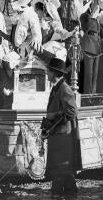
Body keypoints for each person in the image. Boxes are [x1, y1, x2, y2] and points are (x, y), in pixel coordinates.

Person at [45, 57, 79, 197]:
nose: (47, 73)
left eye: (48, 71)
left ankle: (60, 194)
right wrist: (46, 128)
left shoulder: (64, 89)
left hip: (63, 138)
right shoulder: (56, 88)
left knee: (62, 169)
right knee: (61, 171)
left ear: (53, 73)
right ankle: (65, 194)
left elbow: (72, 111)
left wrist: (54, 118)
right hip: (57, 136)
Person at [80, 0, 103, 94]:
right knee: (88, 77)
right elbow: (88, 30)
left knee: (94, 79)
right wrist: (94, 15)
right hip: (87, 50)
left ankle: (92, 98)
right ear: (95, 0)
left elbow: (99, 34)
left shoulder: (97, 18)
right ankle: (87, 99)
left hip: (96, 49)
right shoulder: (85, 16)